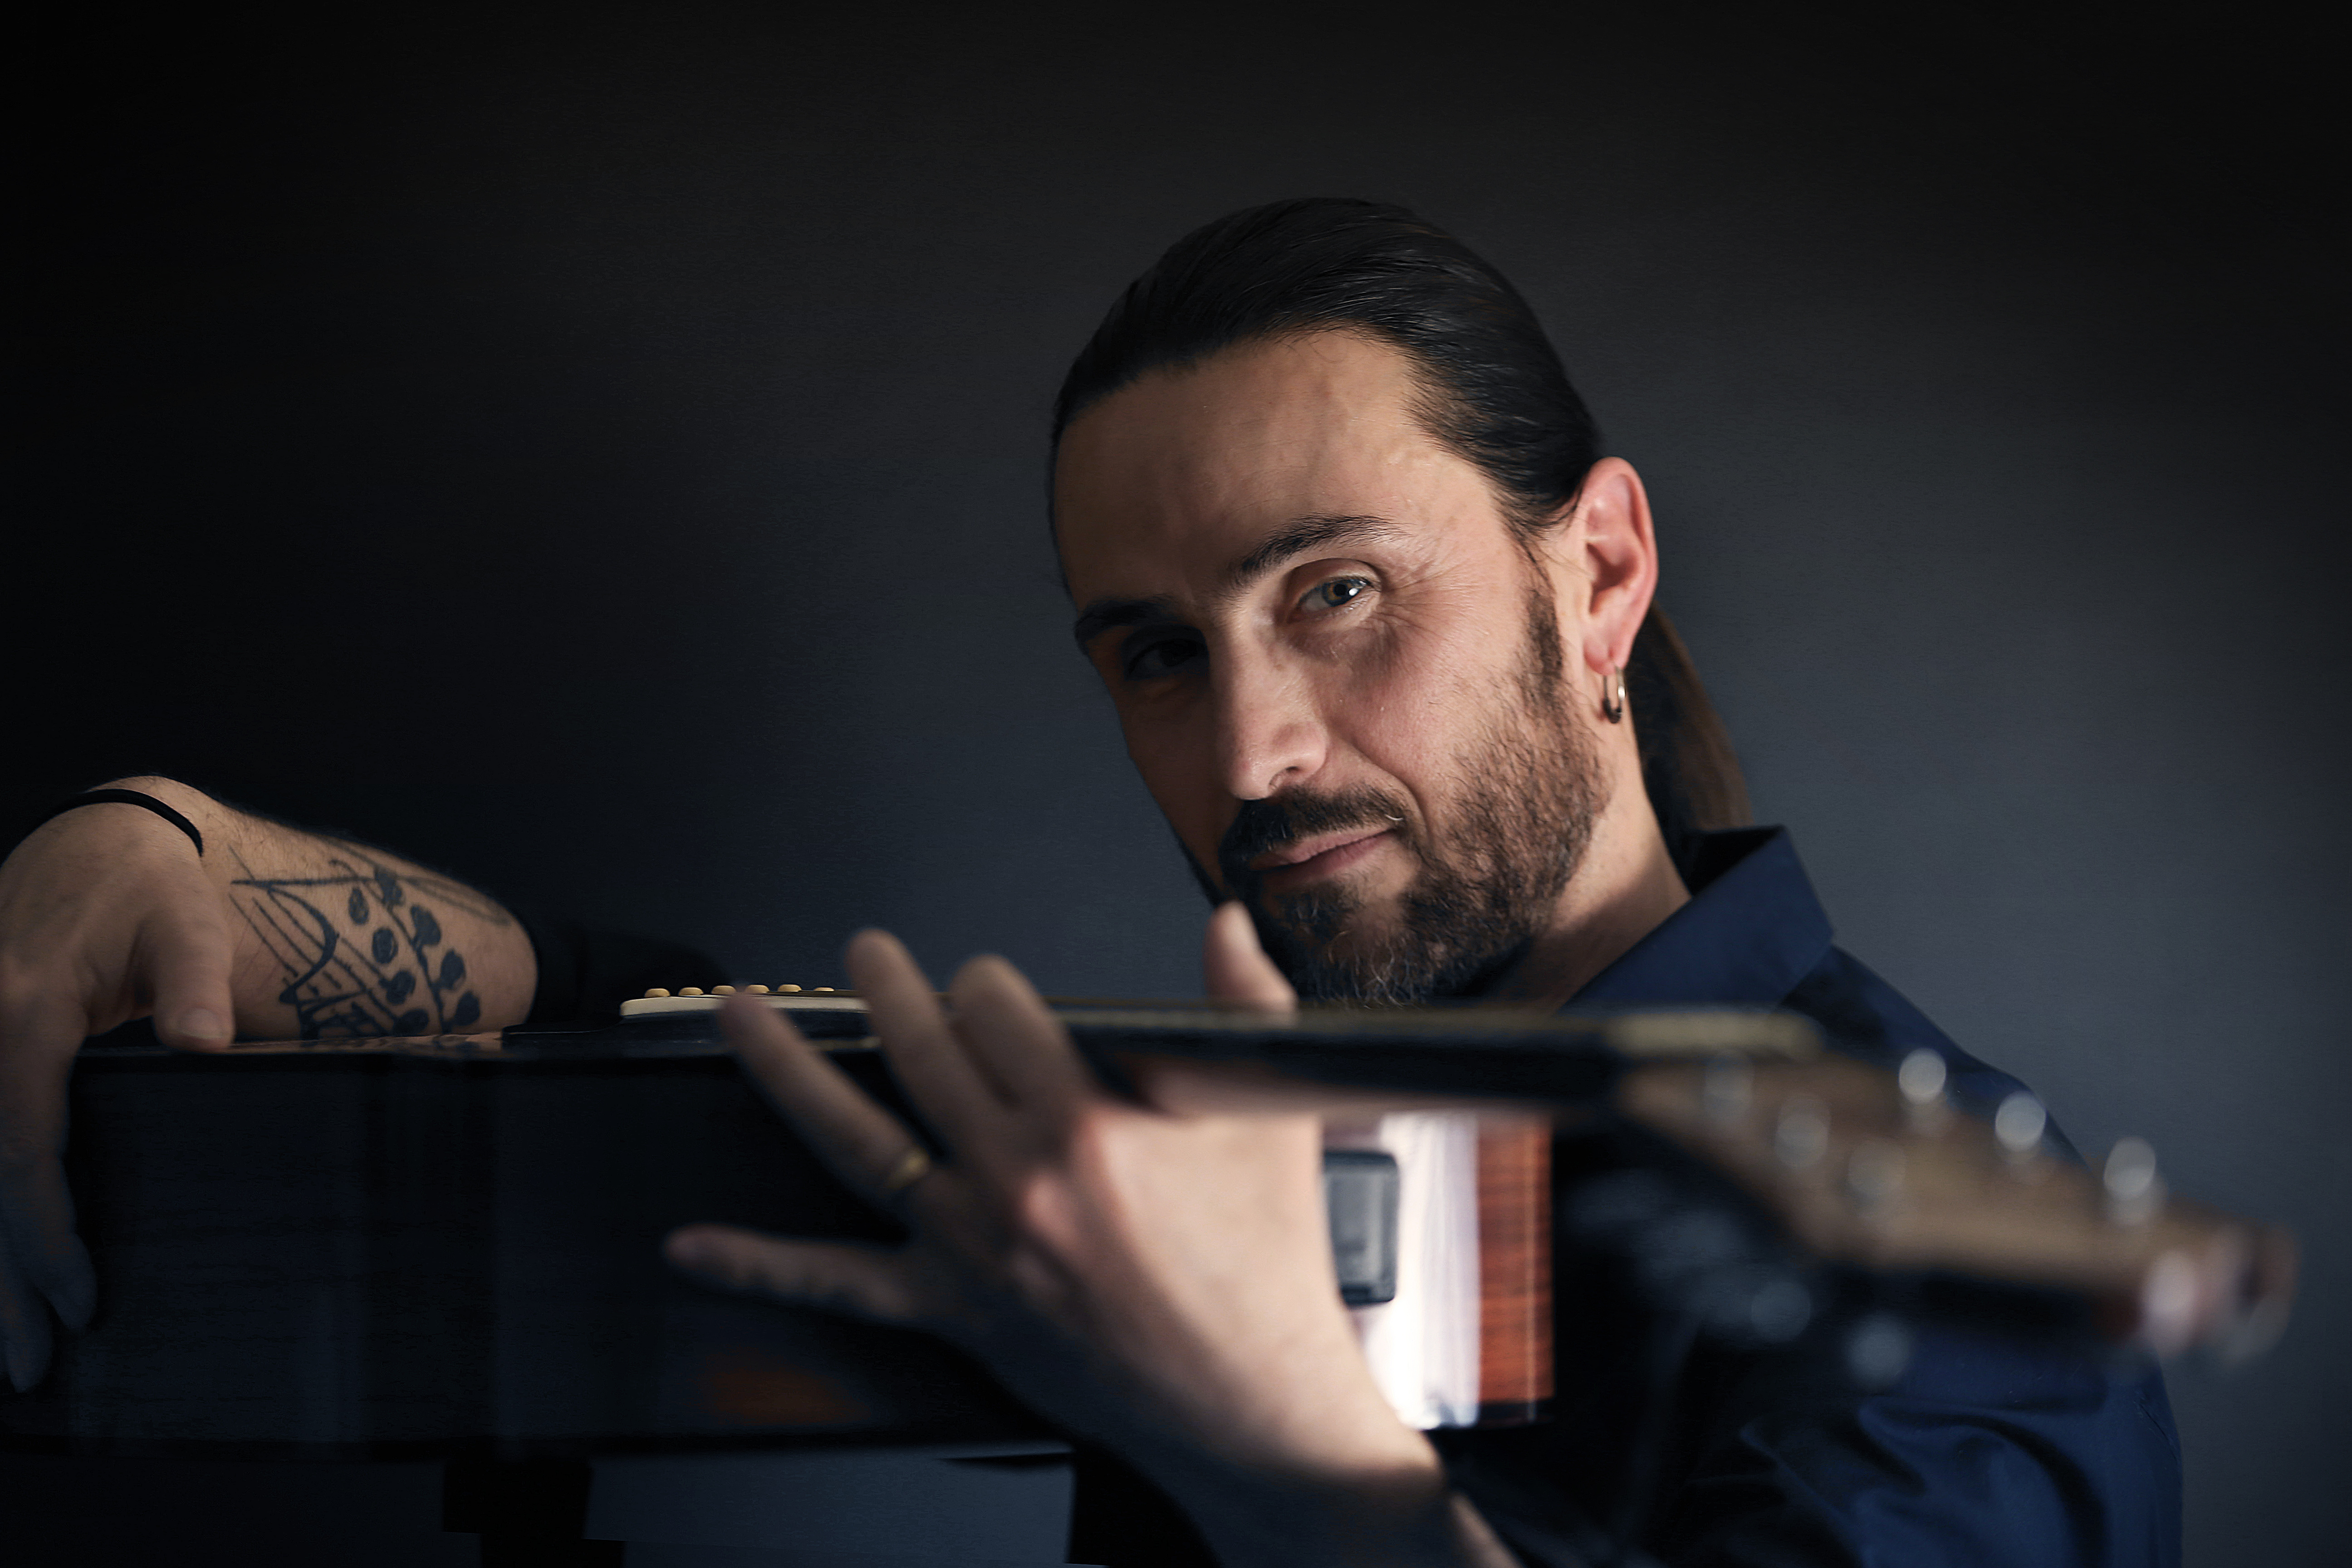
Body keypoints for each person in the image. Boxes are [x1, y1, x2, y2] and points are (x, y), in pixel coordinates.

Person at [0, 200, 2181, 1565]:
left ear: (1596, 573)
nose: (1250, 757)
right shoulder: (1238, 1128)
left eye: (1336, 591)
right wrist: (176, 847)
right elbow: (651, 1035)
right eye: (1155, 653)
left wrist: (1296, 1470)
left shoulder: (1959, 1266)